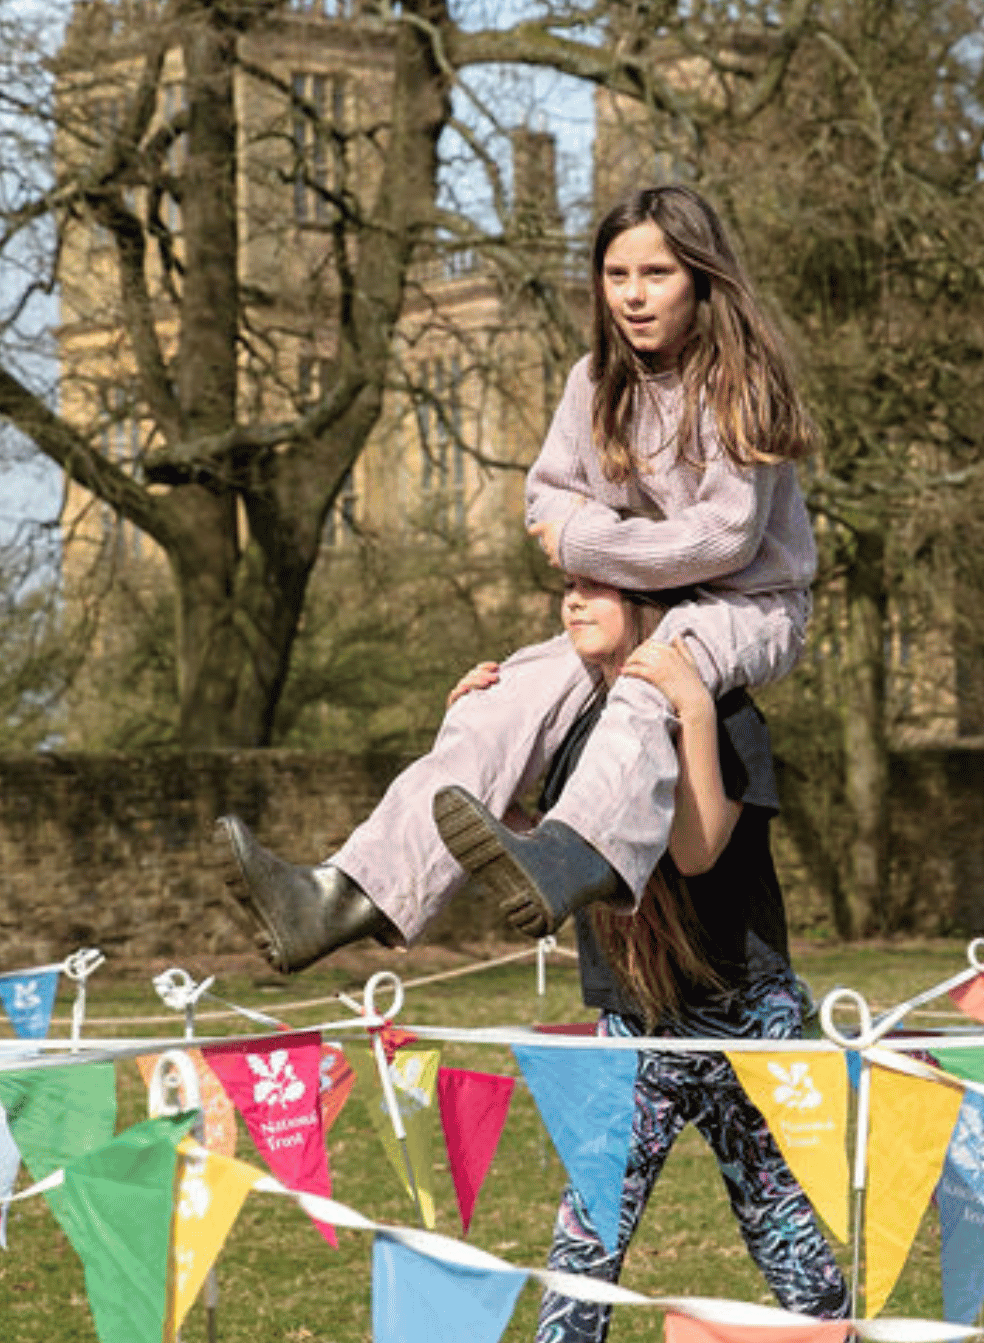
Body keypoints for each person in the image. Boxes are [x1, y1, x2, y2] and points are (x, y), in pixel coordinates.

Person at [217, 182, 818, 969]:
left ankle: (570, 855)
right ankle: (340, 898)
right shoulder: (593, 382)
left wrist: (588, 540)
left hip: (745, 605)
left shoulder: (738, 383)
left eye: (656, 275)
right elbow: (546, 501)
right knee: (498, 706)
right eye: (616, 276)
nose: (633, 296)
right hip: (639, 601)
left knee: (647, 681)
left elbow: (723, 540)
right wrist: (596, 540)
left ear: (702, 279)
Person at [432, 577, 899, 1343]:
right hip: (632, 1025)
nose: (570, 602)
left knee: (790, 1246)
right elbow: (544, 861)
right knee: (584, 1243)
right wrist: (472, 740)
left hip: (743, 1015)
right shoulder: (572, 725)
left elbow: (696, 846)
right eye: (563, 586)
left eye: (596, 589)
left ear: (655, 608)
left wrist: (686, 706)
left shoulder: (725, 711)